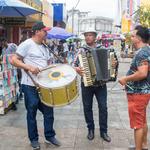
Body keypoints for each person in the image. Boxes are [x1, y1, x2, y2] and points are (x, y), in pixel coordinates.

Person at [11, 21, 61, 150]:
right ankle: (33, 139)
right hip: (30, 85)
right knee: (31, 112)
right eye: (44, 31)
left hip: (44, 85)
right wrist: (28, 67)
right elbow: (14, 60)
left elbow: (45, 63)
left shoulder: (45, 46)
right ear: (37, 31)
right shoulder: (27, 44)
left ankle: (49, 135)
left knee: (49, 112)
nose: (46, 33)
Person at [74, 28, 117, 142]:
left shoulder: (103, 49)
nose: (88, 37)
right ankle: (90, 129)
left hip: (101, 85)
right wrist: (77, 69)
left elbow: (112, 64)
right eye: (86, 35)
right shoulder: (81, 51)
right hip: (86, 84)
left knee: (103, 108)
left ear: (95, 37)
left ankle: (104, 131)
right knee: (87, 108)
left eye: (90, 35)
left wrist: (113, 64)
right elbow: (73, 65)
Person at [119, 25, 150, 150]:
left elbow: (143, 73)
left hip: (138, 94)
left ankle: (139, 148)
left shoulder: (142, 52)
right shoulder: (146, 50)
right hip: (143, 92)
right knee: (142, 121)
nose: (131, 38)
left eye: (132, 36)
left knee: (138, 125)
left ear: (138, 38)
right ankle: (143, 145)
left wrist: (125, 79)